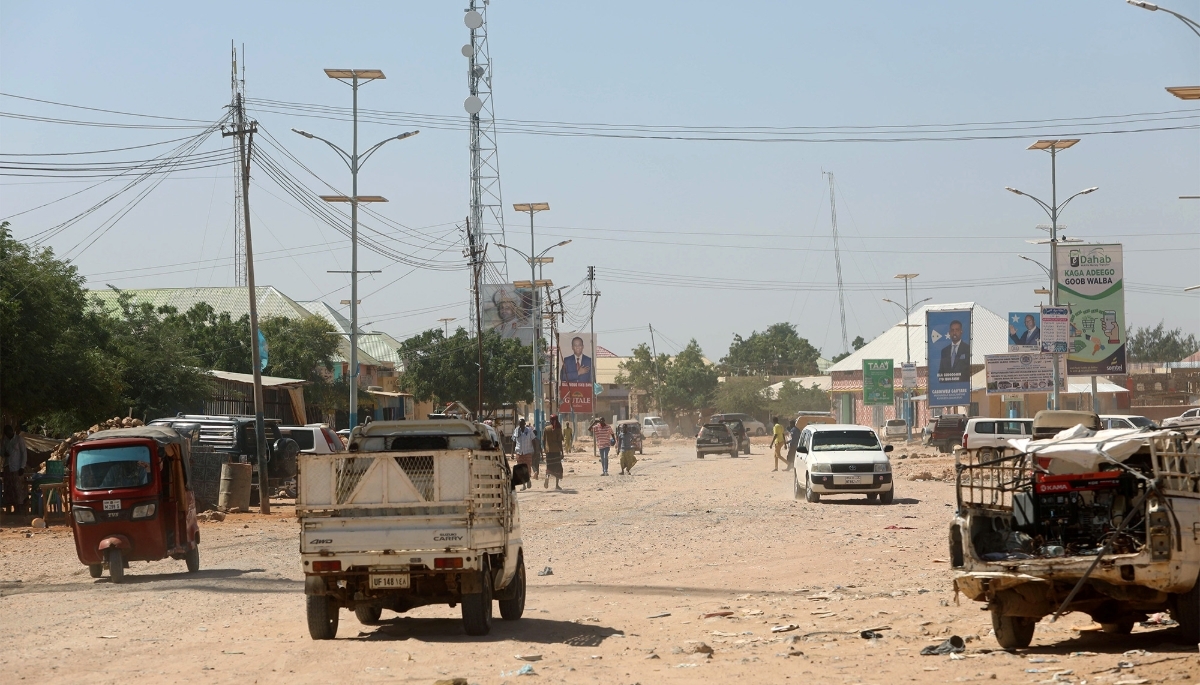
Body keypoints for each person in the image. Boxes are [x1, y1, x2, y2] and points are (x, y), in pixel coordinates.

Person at [2, 425, 28, 514]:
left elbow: (24, 453)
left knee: (18, 488)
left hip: (17, 467)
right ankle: (10, 508)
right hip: (7, 467)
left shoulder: (19, 439)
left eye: (9, 432)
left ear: (12, 431)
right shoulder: (5, 440)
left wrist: (22, 467)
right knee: (9, 488)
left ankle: (20, 508)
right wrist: (4, 453)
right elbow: (2, 452)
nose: (8, 434)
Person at [543, 415, 565, 490]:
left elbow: (543, 440)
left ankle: (547, 477)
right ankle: (557, 485)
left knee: (549, 467)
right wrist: (562, 452)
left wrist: (545, 449)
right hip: (556, 451)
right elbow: (559, 442)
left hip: (549, 451)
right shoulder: (558, 429)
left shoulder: (546, 428)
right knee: (558, 468)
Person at [512, 418, 534, 490]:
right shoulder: (516, 430)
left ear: (524, 424)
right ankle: (524, 485)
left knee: (527, 468)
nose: (520, 425)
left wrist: (535, 451)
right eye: (519, 424)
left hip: (527, 452)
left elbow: (534, 440)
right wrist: (512, 453)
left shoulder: (529, 431)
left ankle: (528, 480)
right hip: (519, 452)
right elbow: (514, 442)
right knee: (520, 469)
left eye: (522, 424)